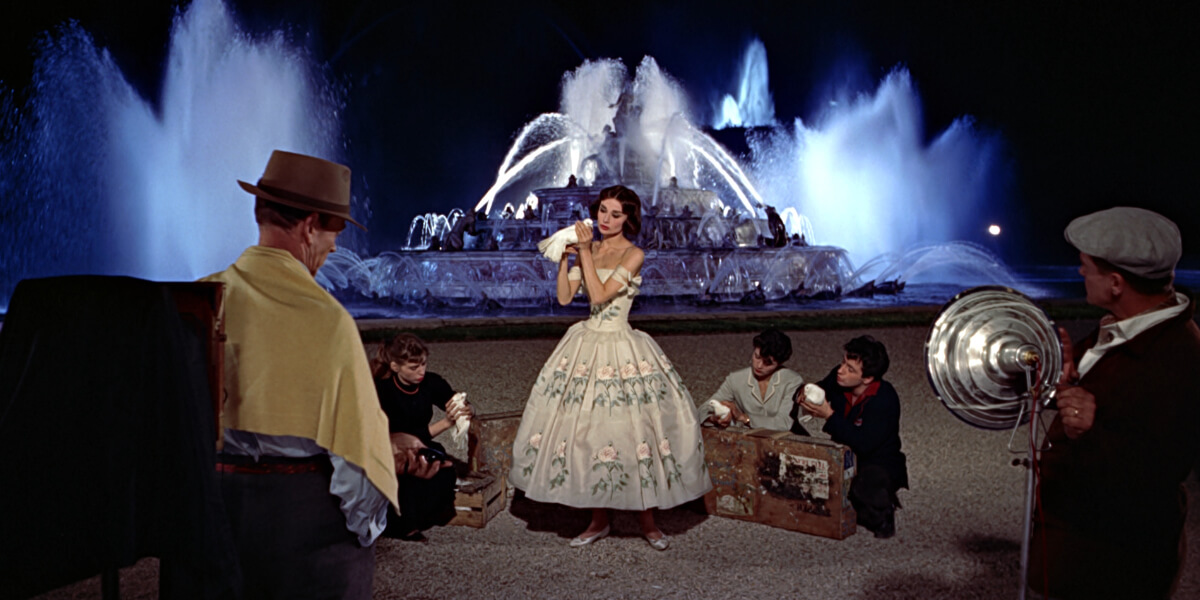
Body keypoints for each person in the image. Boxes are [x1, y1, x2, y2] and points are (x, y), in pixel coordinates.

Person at [203, 150, 446, 599]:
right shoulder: (326, 320)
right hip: (299, 540)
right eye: (334, 230)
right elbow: (356, 474)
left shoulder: (202, 299)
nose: (335, 247)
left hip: (208, 526)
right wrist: (374, 504)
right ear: (310, 225)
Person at [508, 185, 712, 551]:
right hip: (586, 342)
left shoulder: (634, 254)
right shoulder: (593, 248)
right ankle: (598, 519)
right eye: (602, 210)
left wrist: (585, 250)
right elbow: (566, 298)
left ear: (628, 219)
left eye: (615, 214)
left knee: (635, 433)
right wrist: (565, 257)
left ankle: (647, 520)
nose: (605, 219)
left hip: (622, 344)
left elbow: (601, 295)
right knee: (590, 432)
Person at [1028, 207, 1200, 599]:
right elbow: (1106, 399)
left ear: (1117, 282)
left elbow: (1156, 471)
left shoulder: (1177, 357)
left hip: (1112, 563)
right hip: (1079, 548)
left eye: (1086, 266)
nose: (1080, 273)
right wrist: (1067, 382)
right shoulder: (1129, 328)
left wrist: (1088, 432)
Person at [796, 335, 907, 538]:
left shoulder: (884, 399)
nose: (841, 370)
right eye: (843, 362)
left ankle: (883, 514)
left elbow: (864, 443)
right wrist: (805, 394)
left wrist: (829, 415)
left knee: (865, 484)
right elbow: (820, 388)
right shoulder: (838, 379)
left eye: (850, 369)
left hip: (876, 460)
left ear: (867, 378)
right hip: (843, 453)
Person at [371, 333, 474, 541]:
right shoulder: (383, 391)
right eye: (413, 367)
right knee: (409, 478)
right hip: (391, 448)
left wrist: (464, 409)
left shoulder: (430, 382)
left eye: (423, 364)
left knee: (445, 471)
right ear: (395, 367)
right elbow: (401, 436)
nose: (421, 371)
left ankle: (425, 517)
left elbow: (451, 398)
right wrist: (445, 423)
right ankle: (403, 527)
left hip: (423, 445)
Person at [700, 328, 811, 433]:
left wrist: (744, 418)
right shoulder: (736, 379)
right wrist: (714, 418)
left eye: (768, 363)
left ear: (780, 363)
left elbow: (784, 423)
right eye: (757, 357)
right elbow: (701, 411)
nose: (759, 365)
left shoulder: (792, 381)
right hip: (753, 441)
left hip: (790, 440)